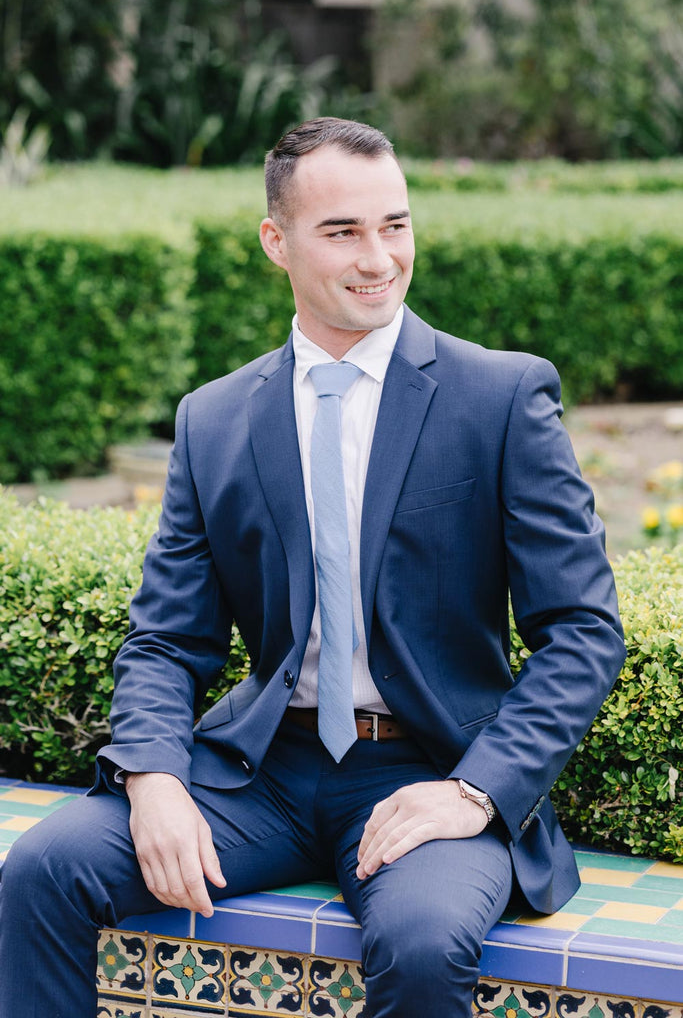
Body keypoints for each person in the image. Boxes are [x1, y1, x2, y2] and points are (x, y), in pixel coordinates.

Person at [0, 117, 626, 1018]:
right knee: (45, 867)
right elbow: (167, 639)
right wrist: (153, 777)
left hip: (427, 773)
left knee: (419, 944)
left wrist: (473, 791)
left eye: (395, 225)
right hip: (260, 775)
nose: (379, 257)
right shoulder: (213, 420)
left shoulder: (500, 396)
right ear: (276, 242)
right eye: (343, 231)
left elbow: (582, 631)